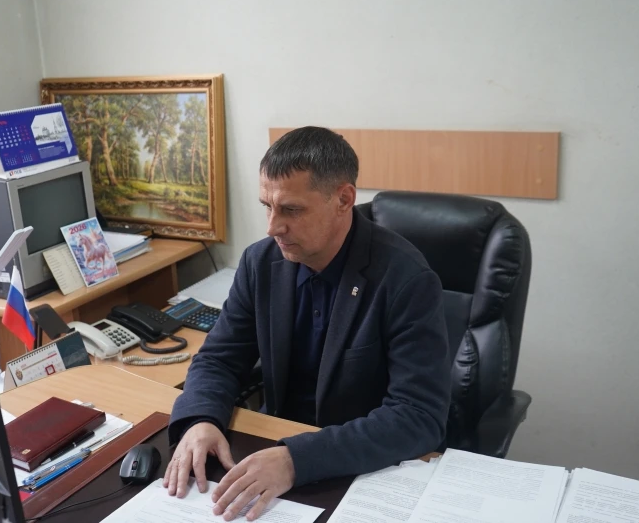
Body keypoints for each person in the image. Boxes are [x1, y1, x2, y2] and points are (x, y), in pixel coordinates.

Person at [164, 126, 451, 521]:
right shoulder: (260, 263)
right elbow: (219, 359)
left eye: (291, 210)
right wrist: (200, 419)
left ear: (343, 200)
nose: (272, 227)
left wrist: (296, 460)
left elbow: (418, 415)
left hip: (361, 469)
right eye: (267, 206)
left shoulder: (405, 278)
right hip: (271, 449)